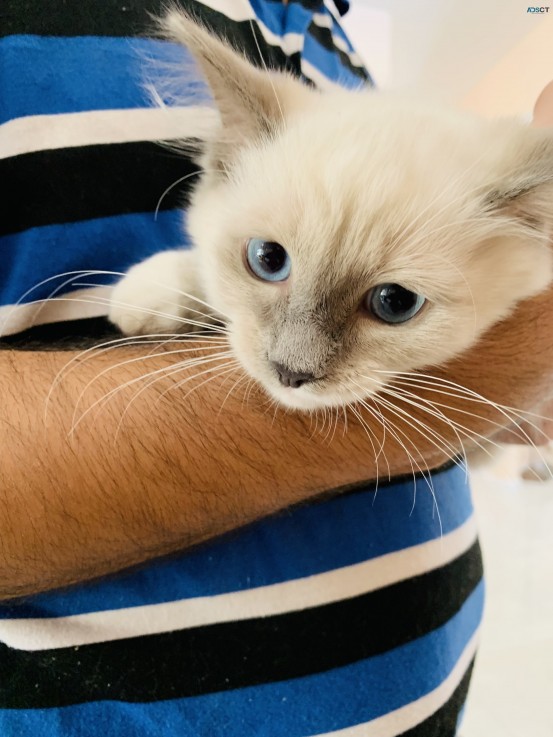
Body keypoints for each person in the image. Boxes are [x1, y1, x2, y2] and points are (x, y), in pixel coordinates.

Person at [0, 1, 550, 735]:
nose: (295, 363)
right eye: (267, 260)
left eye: (390, 301)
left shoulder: (327, 38)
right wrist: (194, 278)